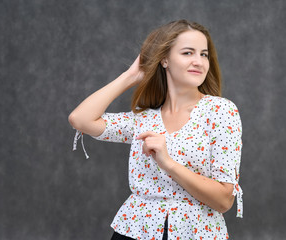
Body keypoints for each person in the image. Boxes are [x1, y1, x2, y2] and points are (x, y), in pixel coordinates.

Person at [69, 19, 243, 240]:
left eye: (204, 54)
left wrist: (168, 163)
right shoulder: (143, 118)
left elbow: (224, 200)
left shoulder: (221, 111)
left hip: (196, 233)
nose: (199, 61)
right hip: (134, 231)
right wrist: (130, 77)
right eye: (188, 53)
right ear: (165, 60)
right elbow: (80, 119)